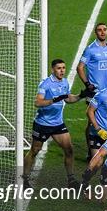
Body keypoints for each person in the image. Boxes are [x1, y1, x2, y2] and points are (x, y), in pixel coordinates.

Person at [23, 59, 85, 189]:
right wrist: (53, 100)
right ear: (53, 70)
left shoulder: (64, 82)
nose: (62, 70)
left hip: (57, 124)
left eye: (63, 68)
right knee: (34, 150)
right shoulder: (45, 84)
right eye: (59, 68)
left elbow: (68, 98)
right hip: (43, 124)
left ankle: (71, 180)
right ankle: (25, 179)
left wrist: (81, 96)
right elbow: (38, 102)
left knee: (69, 150)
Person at [76, 22, 107, 161]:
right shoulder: (90, 49)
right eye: (99, 30)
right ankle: (91, 149)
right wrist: (87, 84)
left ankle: (105, 148)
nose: (102, 32)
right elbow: (80, 67)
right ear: (96, 33)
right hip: (95, 93)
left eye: (105, 29)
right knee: (92, 121)